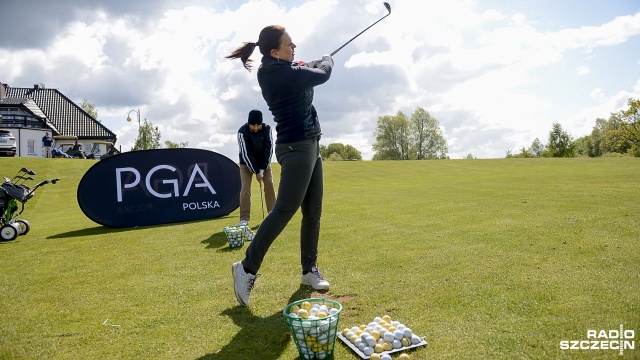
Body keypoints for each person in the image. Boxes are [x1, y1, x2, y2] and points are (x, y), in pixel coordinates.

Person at [226, 25, 334, 306]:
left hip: (310, 144)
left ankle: (309, 270)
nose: (294, 46)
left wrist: (307, 62)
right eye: (289, 44)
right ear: (274, 52)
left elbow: (302, 69)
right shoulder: (277, 73)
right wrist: (326, 59)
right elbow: (323, 74)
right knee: (285, 209)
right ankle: (246, 268)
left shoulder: (281, 68)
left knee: (313, 210)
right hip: (297, 147)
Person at [237, 109, 276, 226]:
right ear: (249, 123)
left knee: (269, 183)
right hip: (246, 163)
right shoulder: (242, 132)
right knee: (245, 188)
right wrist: (256, 171)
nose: (255, 128)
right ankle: (244, 219)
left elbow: (268, 150)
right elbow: (246, 153)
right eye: (253, 125)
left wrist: (262, 170)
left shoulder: (267, 129)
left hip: (263, 162)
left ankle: (273, 214)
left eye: (258, 125)